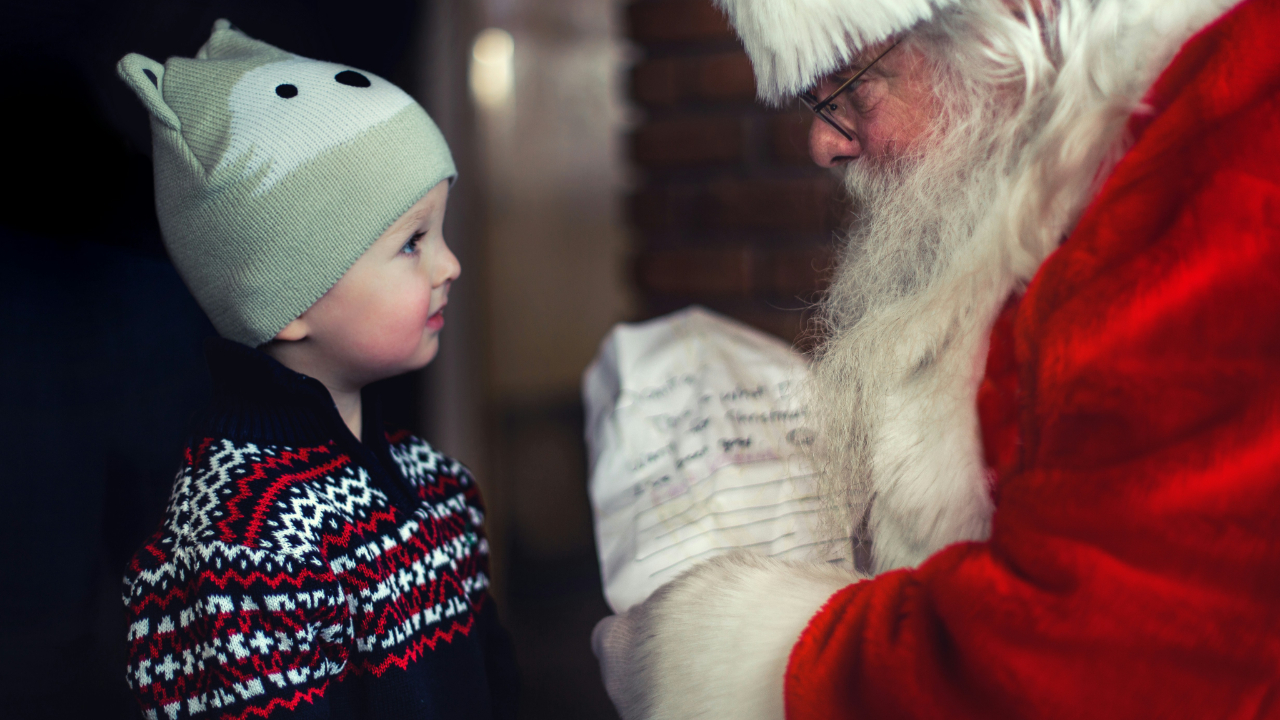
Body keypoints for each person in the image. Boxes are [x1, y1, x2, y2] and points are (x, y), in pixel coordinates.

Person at [593, 0, 1280, 717]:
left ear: (1005, 20)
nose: (823, 144)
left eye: (848, 86)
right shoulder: (1111, 159)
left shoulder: (1237, 147)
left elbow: (1105, 659)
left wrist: (725, 653)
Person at [117, 20, 518, 720]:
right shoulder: (241, 544)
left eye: (442, 235)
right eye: (412, 243)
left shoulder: (439, 486)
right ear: (289, 298)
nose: (449, 264)